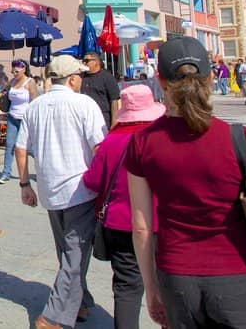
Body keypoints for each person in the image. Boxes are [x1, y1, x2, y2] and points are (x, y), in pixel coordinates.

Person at [126, 36, 246, 329]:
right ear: (209, 77)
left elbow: (141, 228)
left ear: (160, 80)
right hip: (240, 278)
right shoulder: (239, 139)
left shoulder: (142, 142)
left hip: (177, 278)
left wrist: (152, 289)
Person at [15, 55, 106, 329]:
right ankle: (52, 316)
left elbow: (21, 148)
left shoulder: (35, 107)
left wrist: (24, 184)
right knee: (74, 255)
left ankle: (80, 303)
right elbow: (99, 148)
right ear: (73, 79)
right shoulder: (84, 104)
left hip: (49, 189)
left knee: (67, 252)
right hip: (81, 188)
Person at [82, 84, 163, 329]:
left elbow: (92, 181)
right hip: (161, 223)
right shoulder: (163, 138)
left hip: (120, 224)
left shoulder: (110, 142)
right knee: (169, 285)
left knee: (126, 288)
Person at [0, 59, 39, 184]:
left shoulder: (30, 82)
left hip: (25, 118)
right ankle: (6, 173)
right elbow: (4, 93)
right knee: (10, 145)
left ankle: (43, 168)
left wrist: (33, 116)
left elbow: (36, 100)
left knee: (29, 148)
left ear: (23, 69)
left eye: (16, 71)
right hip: (12, 117)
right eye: (13, 70)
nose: (14, 73)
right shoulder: (12, 81)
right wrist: (3, 94)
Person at [81, 53, 121, 127]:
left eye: (86, 61)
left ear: (96, 62)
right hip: (85, 117)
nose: (84, 63)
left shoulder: (107, 77)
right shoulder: (81, 78)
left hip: (102, 117)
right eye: (83, 61)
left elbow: (114, 100)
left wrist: (114, 121)